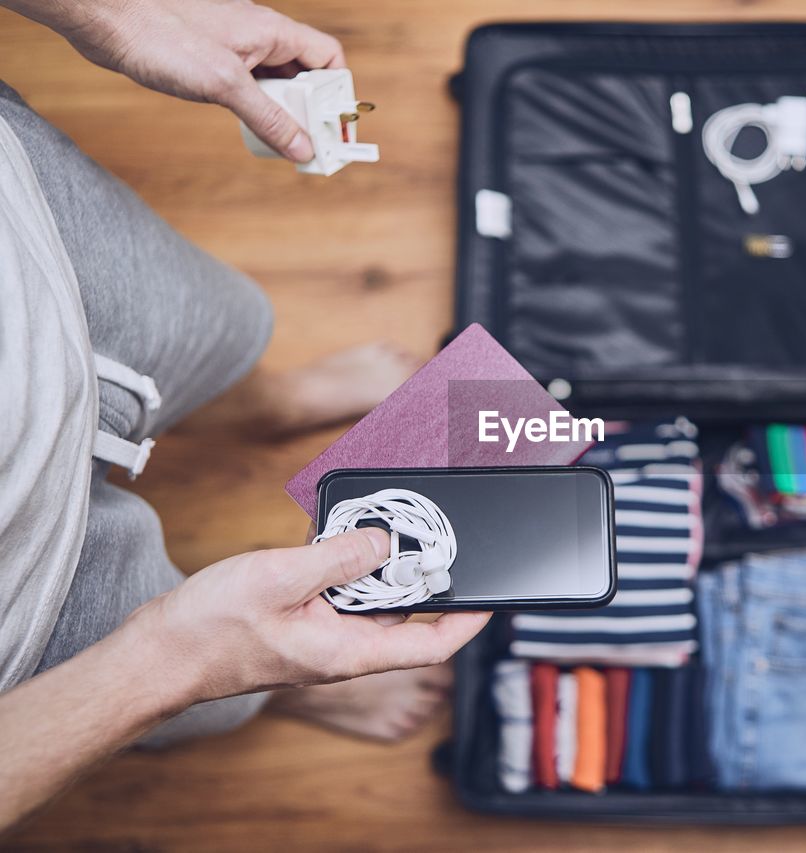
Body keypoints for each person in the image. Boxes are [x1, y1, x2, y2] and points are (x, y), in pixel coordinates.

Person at [0, 0, 490, 831]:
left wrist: (114, 12)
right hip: (20, 616)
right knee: (195, 678)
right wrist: (171, 665)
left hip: (29, 237)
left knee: (219, 324)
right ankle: (275, 689)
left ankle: (270, 403)